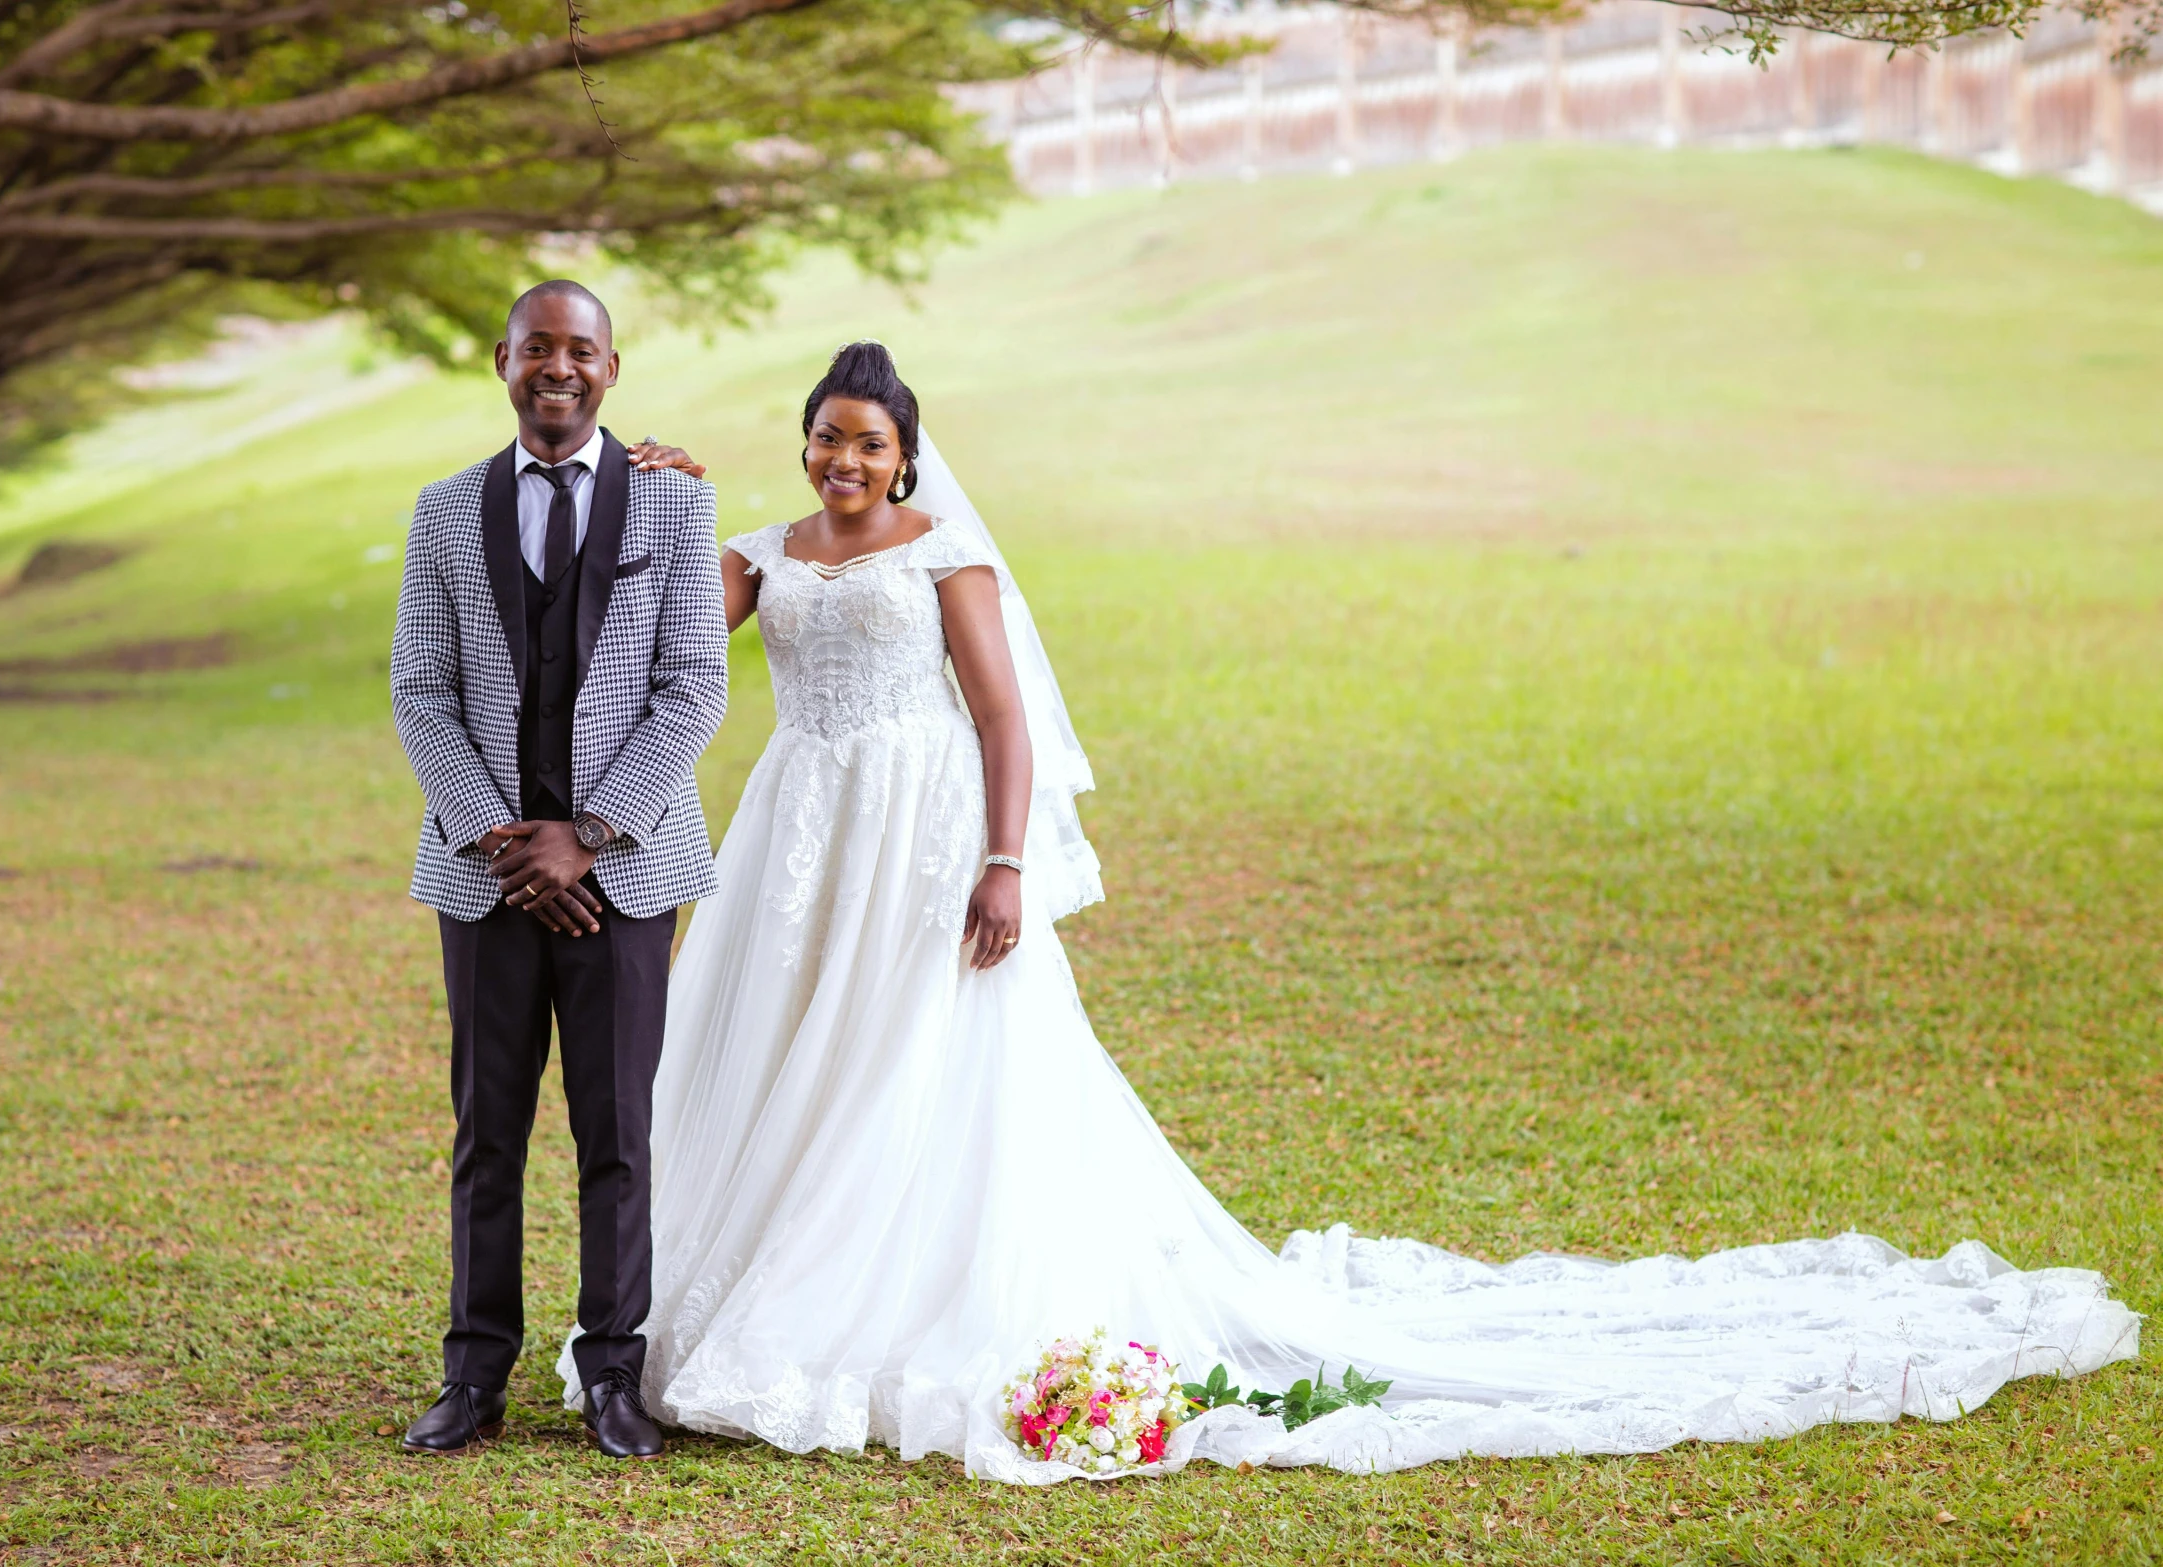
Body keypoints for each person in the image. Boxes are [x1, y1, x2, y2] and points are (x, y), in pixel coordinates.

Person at [560, 341, 2139, 1483]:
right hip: (798, 834)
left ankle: (872, 1294)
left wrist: (1003, 859)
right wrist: (651, 497)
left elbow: (1003, 720)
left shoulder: (944, 553)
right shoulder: (760, 550)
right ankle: (708, 1303)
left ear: (905, 451)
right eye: (821, 440)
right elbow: (675, 655)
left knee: (910, 1059)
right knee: (784, 1045)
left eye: (864, 442)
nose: (842, 462)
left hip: (918, 833)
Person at [390, 279, 726, 1459]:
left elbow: (694, 689)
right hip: (482, 878)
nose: (559, 368)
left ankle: (611, 1373)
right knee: (487, 1128)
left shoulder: (678, 508)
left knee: (617, 1129)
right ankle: (473, 1374)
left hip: (628, 875)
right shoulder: (442, 512)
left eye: (581, 350)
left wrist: (584, 834)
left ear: (611, 369)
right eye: (539, 348)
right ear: (502, 360)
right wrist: (502, 836)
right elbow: (419, 692)